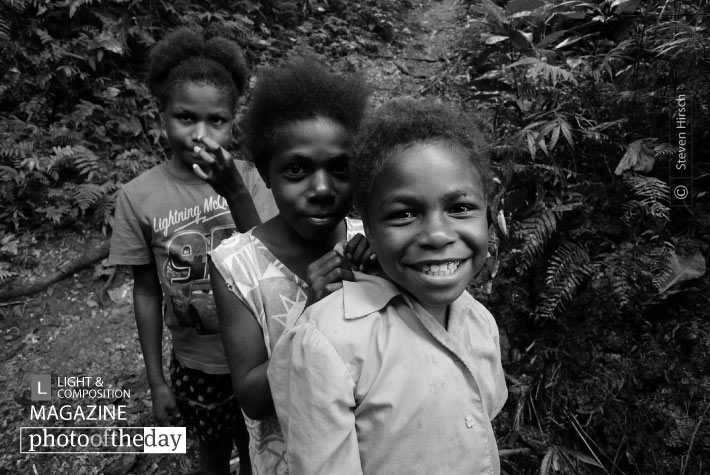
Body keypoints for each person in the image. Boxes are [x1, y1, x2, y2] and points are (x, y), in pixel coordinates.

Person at [267, 98, 508, 475]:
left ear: (488, 215)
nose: (438, 235)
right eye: (404, 214)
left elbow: (478, 425)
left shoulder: (480, 323)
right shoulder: (326, 344)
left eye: (460, 208)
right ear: (367, 228)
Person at [108, 29, 277, 475]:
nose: (200, 134)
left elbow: (272, 262)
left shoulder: (251, 177)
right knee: (213, 454)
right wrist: (156, 381)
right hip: (196, 365)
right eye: (185, 117)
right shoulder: (137, 197)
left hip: (260, 356)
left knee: (261, 451)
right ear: (160, 114)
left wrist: (235, 192)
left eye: (216, 121)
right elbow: (146, 292)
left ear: (232, 120)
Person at [208, 57, 371, 475]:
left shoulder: (372, 240)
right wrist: (310, 315)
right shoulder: (236, 267)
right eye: (297, 169)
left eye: (339, 168)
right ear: (265, 172)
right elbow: (253, 399)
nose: (321, 189)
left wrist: (385, 281)